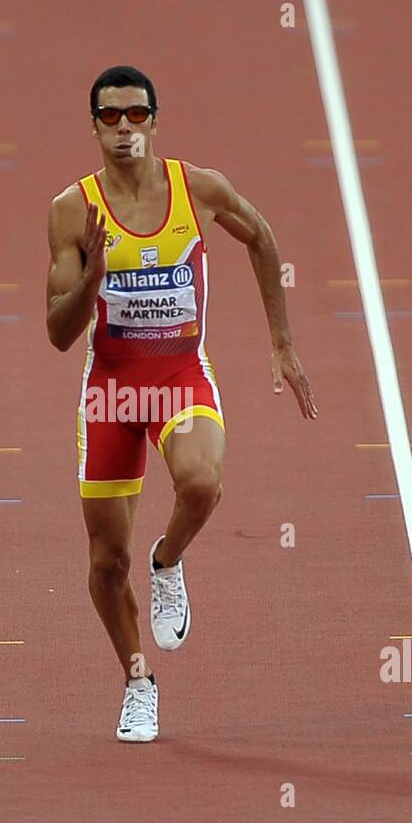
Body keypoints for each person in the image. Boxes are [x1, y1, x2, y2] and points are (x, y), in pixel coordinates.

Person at [45, 65, 318, 742]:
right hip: (110, 389)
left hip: (178, 376)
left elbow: (261, 236)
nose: (125, 128)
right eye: (111, 117)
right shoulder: (70, 210)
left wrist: (281, 342)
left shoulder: (197, 188)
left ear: (155, 121)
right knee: (106, 564)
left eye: (137, 115)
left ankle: (167, 560)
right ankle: (138, 680)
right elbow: (57, 332)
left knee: (201, 482)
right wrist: (94, 278)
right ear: (94, 127)